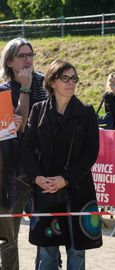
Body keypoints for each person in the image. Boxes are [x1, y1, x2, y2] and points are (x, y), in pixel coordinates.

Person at [22, 60, 102, 270]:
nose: (71, 83)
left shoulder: (86, 112)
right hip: (45, 189)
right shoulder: (38, 110)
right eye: (65, 78)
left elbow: (90, 154)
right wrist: (37, 178)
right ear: (52, 81)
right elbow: (27, 148)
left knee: (77, 253)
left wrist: (65, 179)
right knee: (47, 254)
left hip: (77, 190)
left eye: (74, 78)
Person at [0, 37, 47, 270]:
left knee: (48, 236)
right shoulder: (2, 91)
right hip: (14, 177)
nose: (28, 60)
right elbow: (13, 129)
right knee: (9, 239)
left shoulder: (45, 85)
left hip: (42, 171)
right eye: (22, 56)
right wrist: (25, 89)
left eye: (31, 55)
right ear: (9, 62)